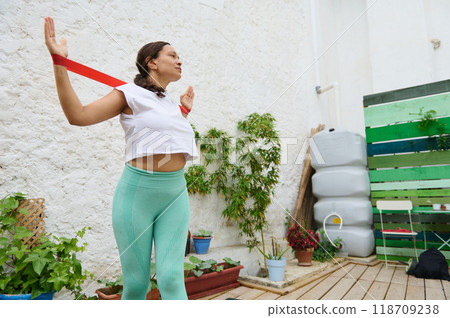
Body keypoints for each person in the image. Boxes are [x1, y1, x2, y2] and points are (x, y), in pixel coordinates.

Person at [44, 17, 198, 300]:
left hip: (175, 193)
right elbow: (78, 116)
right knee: (137, 284)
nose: (179, 61)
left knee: (173, 278)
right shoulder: (129, 93)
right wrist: (59, 62)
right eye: (172, 55)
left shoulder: (168, 103)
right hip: (137, 194)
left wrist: (183, 113)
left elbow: (161, 135)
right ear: (152, 62)